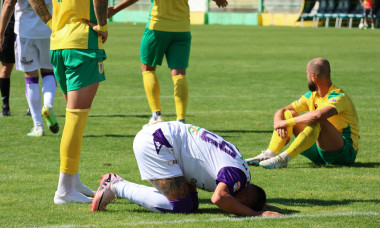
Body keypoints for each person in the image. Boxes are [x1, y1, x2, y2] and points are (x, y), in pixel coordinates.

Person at [91, 121, 282, 217]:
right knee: (181, 206)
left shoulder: (241, 174)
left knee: (190, 204)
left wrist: (259, 205)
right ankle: (116, 185)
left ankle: (117, 185)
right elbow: (219, 198)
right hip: (158, 143)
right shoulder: (235, 175)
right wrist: (255, 214)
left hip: (167, 138)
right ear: (240, 197)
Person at [28, 0, 109, 204]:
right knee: (76, 119)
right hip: (82, 43)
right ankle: (64, 190)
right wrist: (103, 26)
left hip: (58, 43)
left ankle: (72, 180)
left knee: (73, 118)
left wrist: (51, 22)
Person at [107, 0, 229, 124]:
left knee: (148, 68)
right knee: (179, 73)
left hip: (157, 27)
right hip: (182, 29)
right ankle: (181, 120)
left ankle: (156, 116)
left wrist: (116, 9)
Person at [246, 58, 359, 169]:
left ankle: (283, 159)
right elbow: (282, 110)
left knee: (317, 120)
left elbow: (318, 116)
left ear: (313, 77)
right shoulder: (312, 95)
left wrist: (285, 122)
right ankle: (270, 153)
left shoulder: (338, 96)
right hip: (319, 153)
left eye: (307, 73)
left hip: (344, 154)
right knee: (289, 113)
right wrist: (278, 122)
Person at [0, 0, 58, 136]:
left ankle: (38, 127)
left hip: (25, 33)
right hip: (48, 30)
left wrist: (1, 33)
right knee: (49, 73)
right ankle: (48, 105)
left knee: (31, 78)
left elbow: (8, 4)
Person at [0, 1, 14, 117]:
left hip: (26, 23)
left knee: (32, 68)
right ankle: (5, 106)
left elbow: (9, 3)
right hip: (8, 25)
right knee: (5, 67)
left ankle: (32, 107)